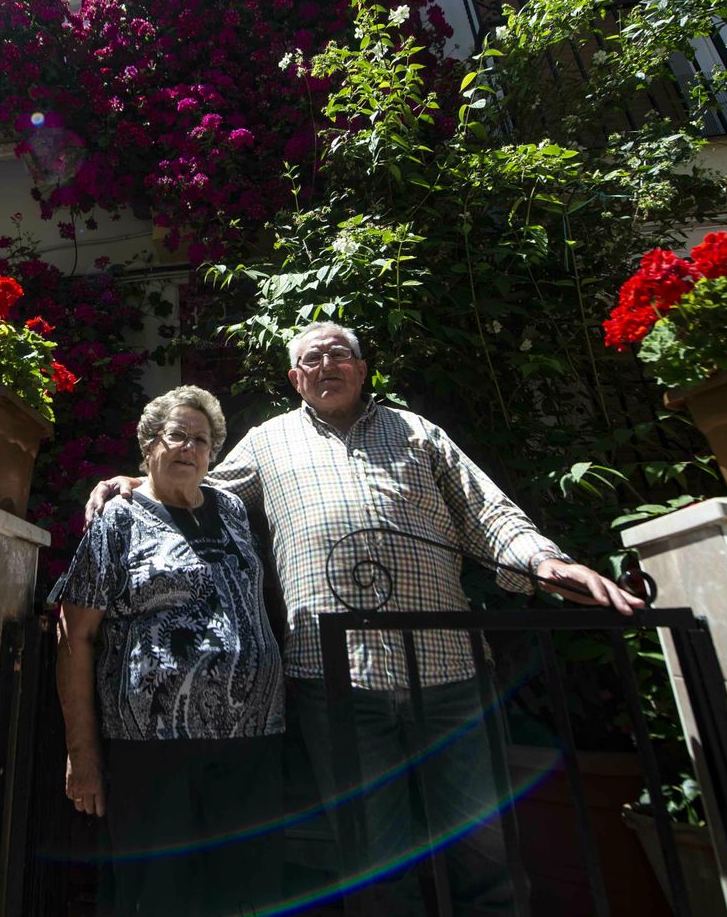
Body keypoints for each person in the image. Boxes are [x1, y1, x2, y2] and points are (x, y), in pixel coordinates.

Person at [87, 323, 644, 915]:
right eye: (311, 359)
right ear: (294, 378)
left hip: (448, 674)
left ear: (362, 367)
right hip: (336, 683)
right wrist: (135, 482)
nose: (326, 366)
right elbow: (191, 484)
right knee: (373, 858)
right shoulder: (268, 442)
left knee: (483, 848)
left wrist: (545, 561)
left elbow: (485, 510)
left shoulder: (418, 432)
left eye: (338, 354)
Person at [52, 385, 286, 916]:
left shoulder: (230, 509)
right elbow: (74, 635)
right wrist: (81, 753)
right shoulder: (120, 517)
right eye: (177, 435)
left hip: (253, 739)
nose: (189, 448)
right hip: (154, 746)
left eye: (201, 441)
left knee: (248, 888)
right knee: (159, 894)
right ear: (149, 444)